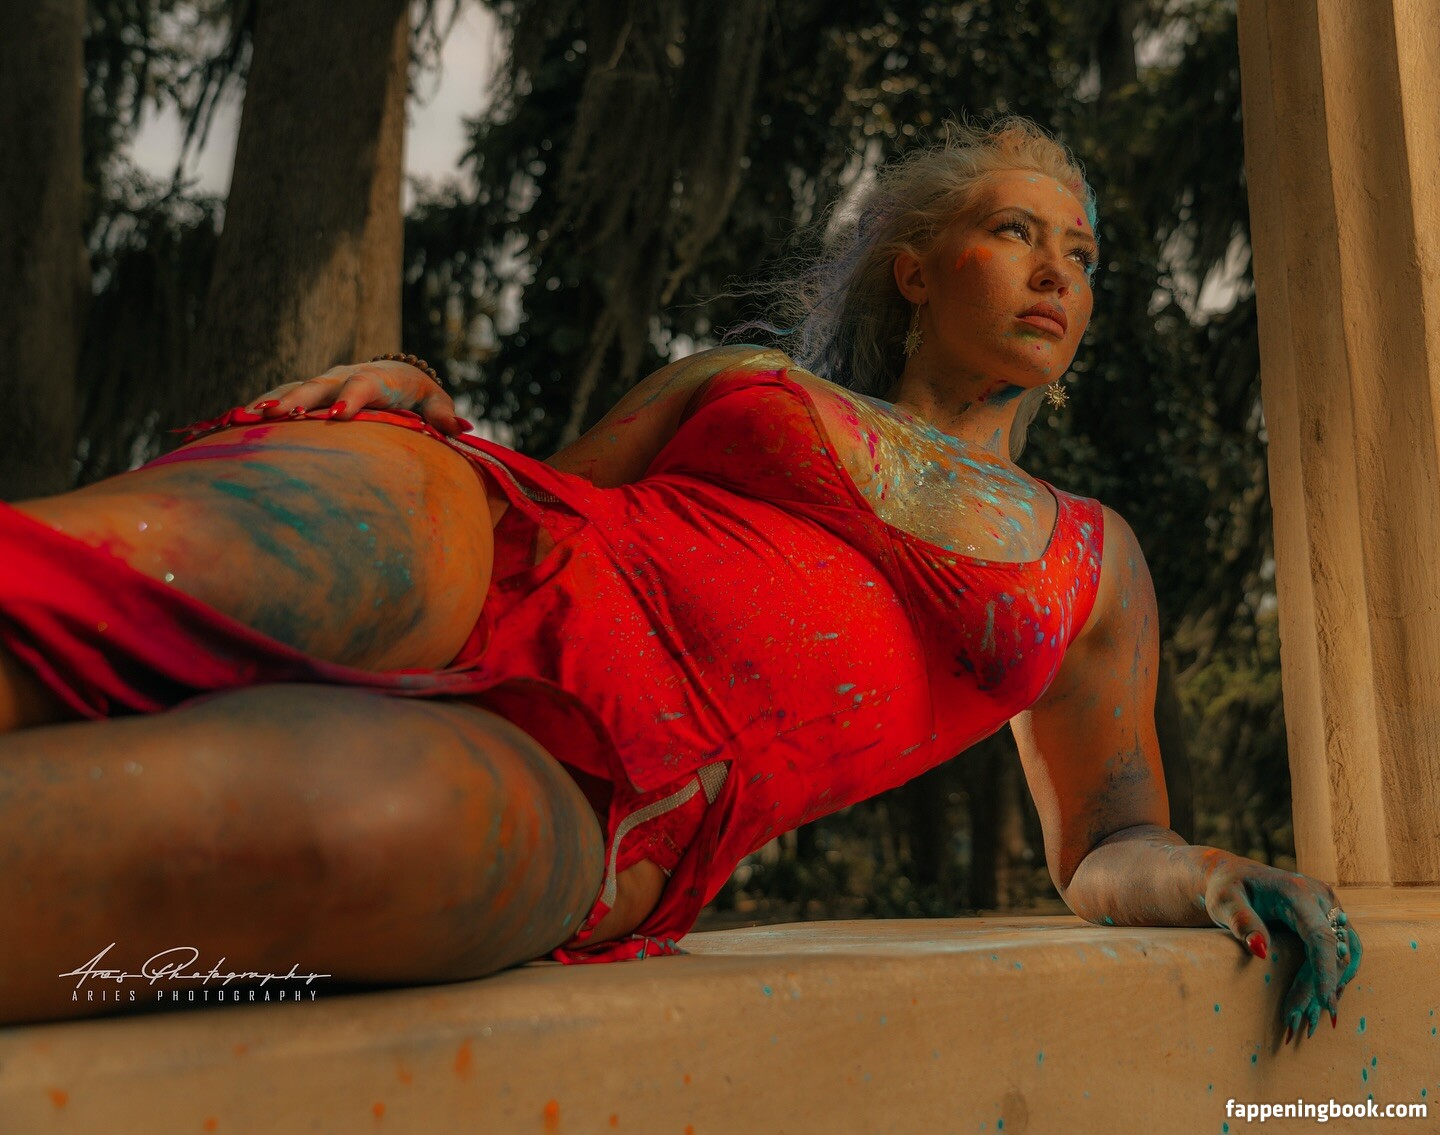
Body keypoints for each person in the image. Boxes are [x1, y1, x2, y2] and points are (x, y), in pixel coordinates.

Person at [0, 118, 1358, 1034]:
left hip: (621, 799)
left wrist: (1209, 876)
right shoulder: (746, 378)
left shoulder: (1091, 560)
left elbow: (1109, 841)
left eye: (1083, 256)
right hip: (500, 547)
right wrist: (419, 394)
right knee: (141, 567)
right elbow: (556, 483)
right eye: (1016, 232)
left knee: (294, 835)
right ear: (916, 271)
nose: (1056, 271)